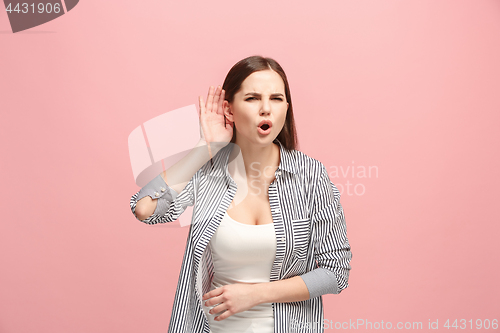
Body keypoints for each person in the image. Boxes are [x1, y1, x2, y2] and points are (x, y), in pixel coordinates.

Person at [130, 55, 352, 333]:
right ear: (229, 109)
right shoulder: (207, 173)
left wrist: (256, 294)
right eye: (252, 98)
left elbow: (335, 272)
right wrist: (205, 149)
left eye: (276, 98)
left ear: (287, 107)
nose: (265, 109)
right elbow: (145, 209)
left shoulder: (311, 176)